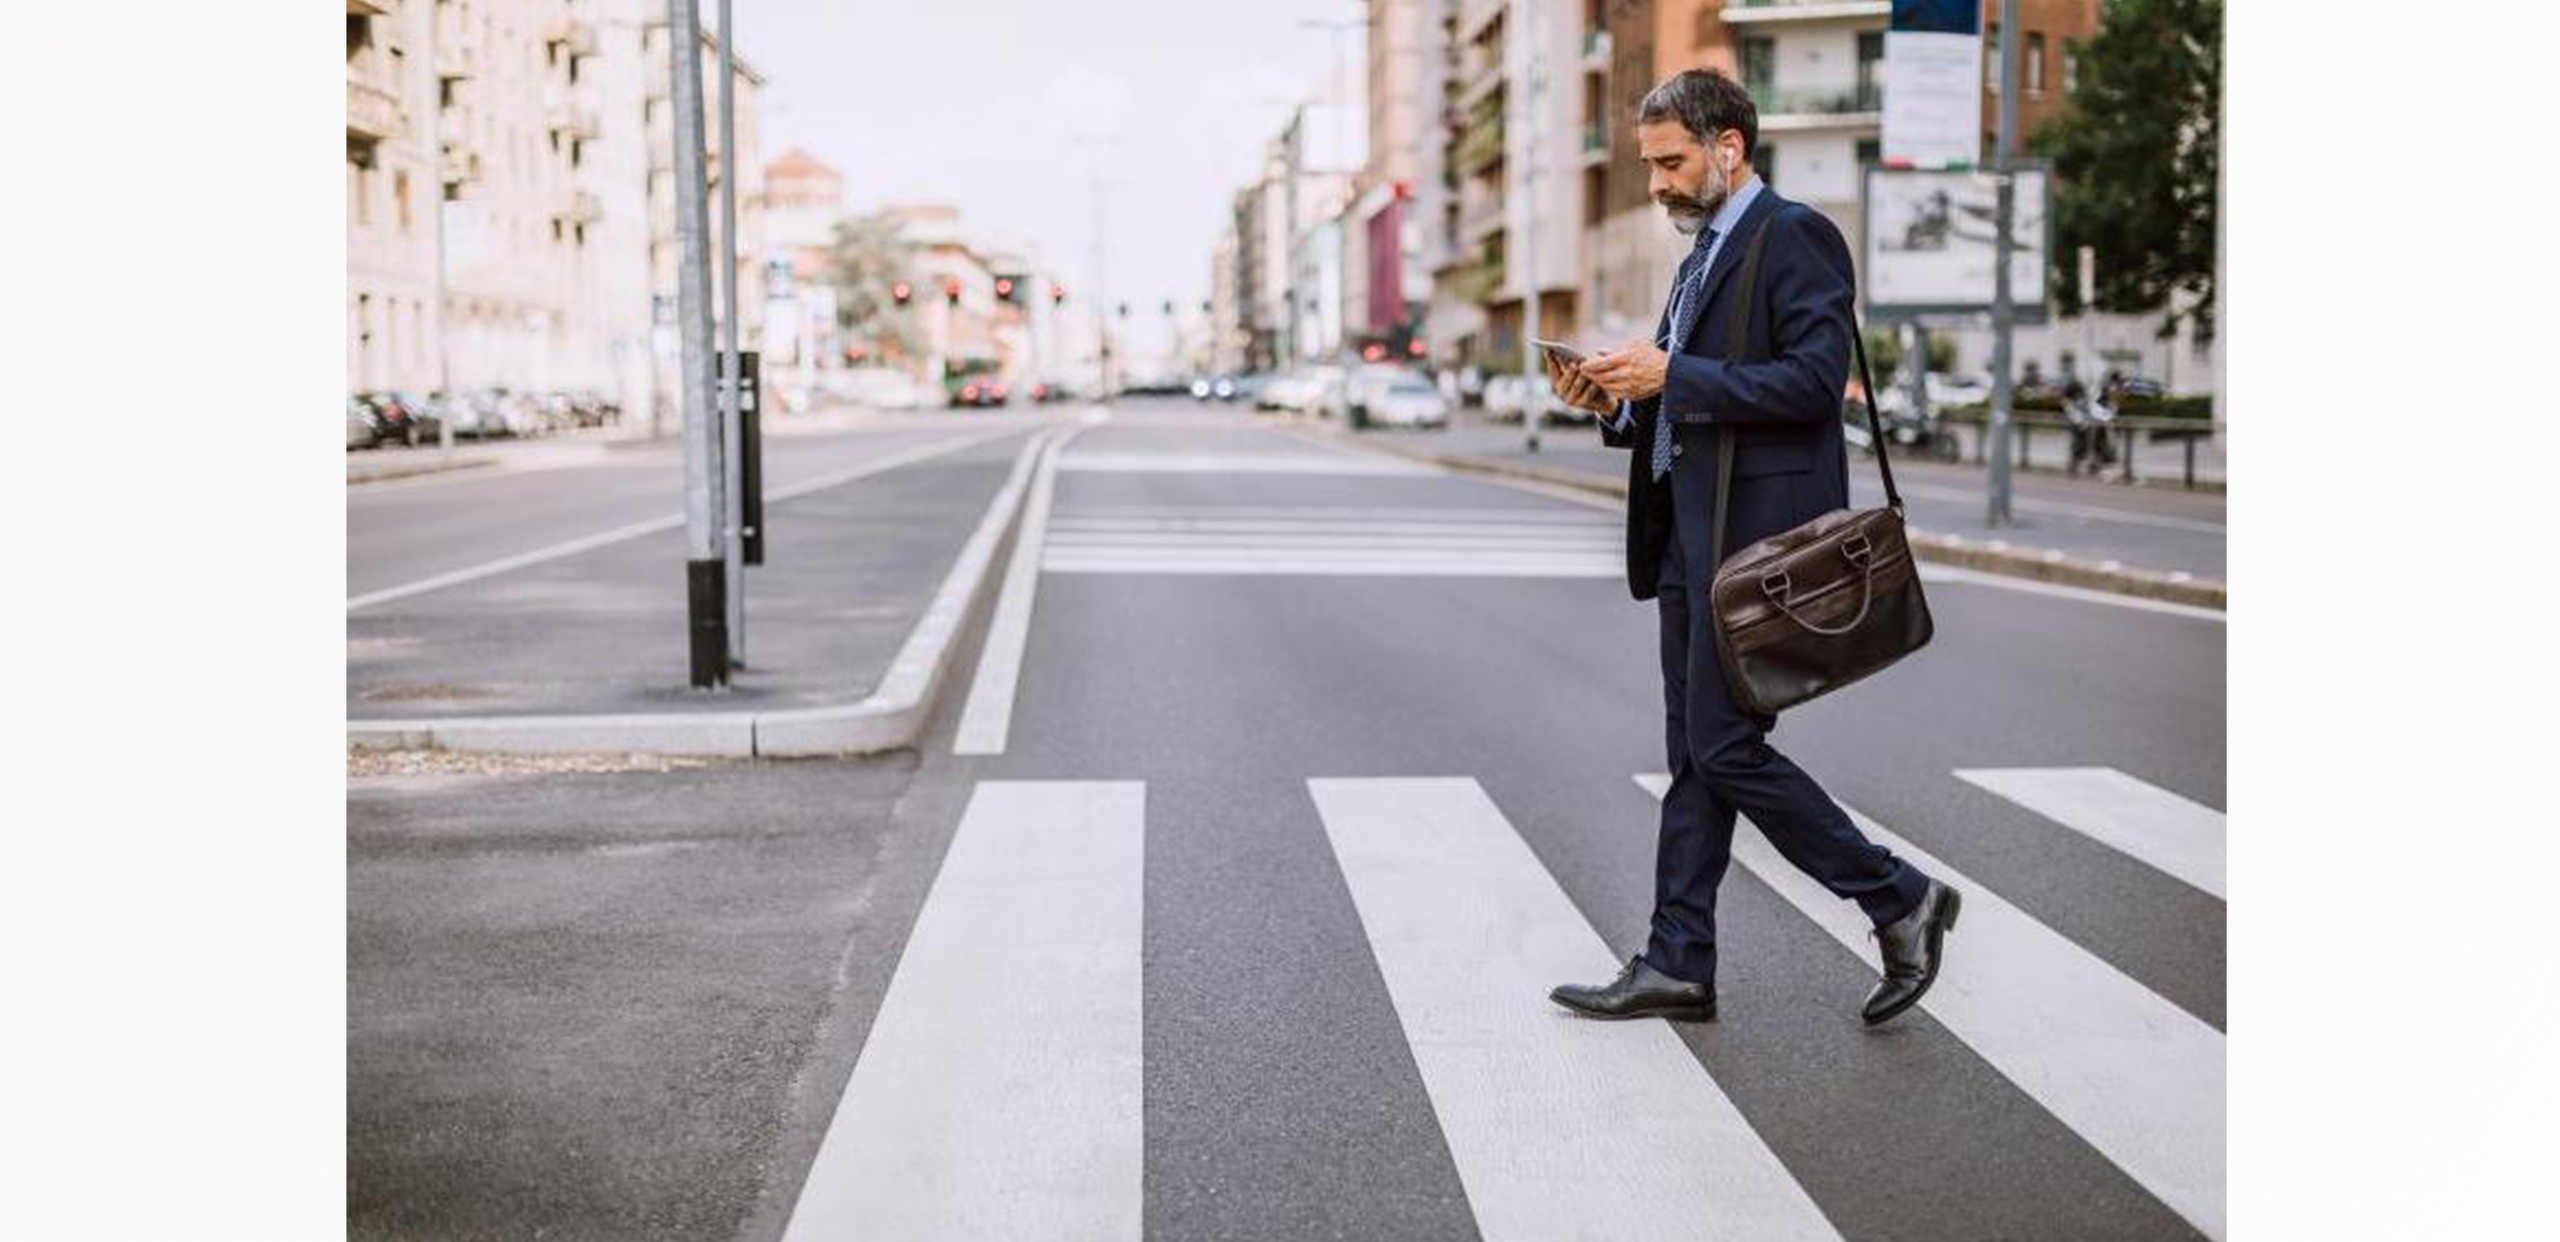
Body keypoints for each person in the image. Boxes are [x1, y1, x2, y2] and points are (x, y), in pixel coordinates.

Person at [1541, 68, 1961, 1028]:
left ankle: (1898, 895)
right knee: (1696, 757)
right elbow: (1681, 397)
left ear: (1727, 148)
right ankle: (1678, 961)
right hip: (1688, 543)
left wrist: (1672, 373)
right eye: (1650, 165)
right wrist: (1613, 402)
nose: (1657, 183)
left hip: (1755, 552)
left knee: (1725, 750)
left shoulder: (1794, 236)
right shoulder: (1701, 257)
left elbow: (1812, 384)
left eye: (1670, 162)